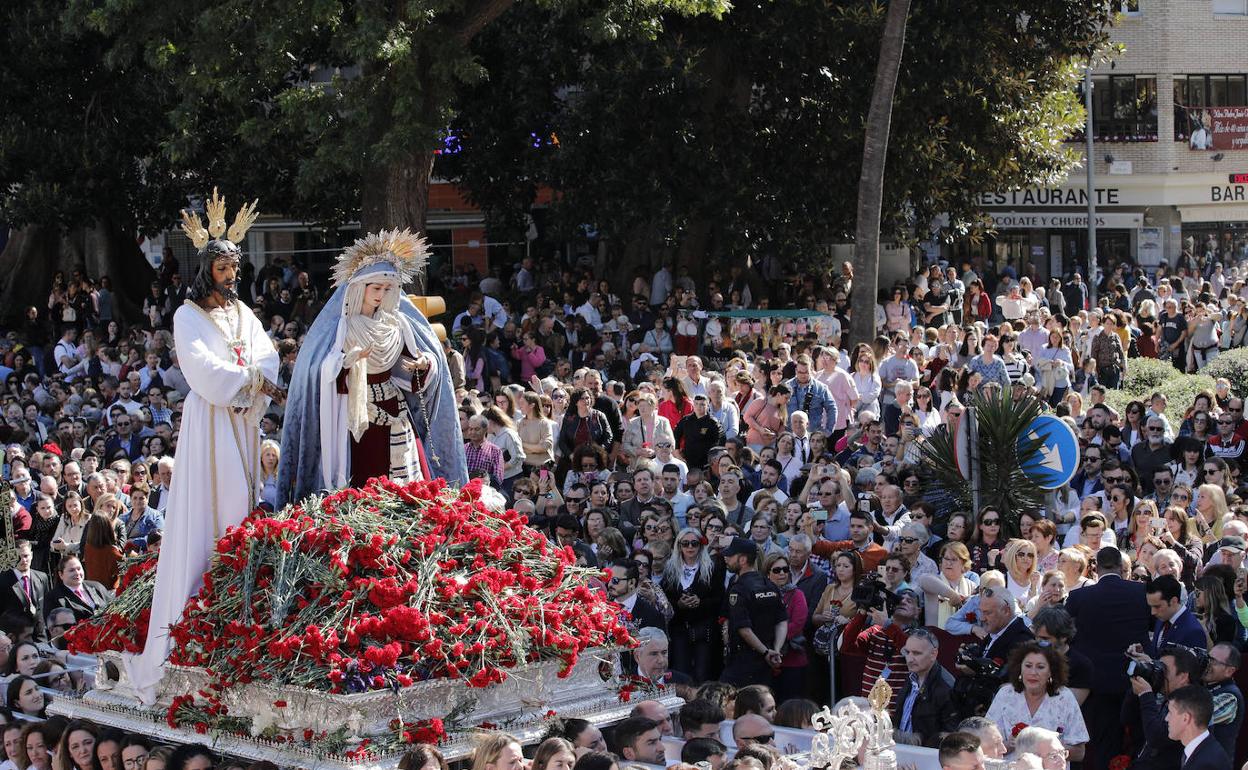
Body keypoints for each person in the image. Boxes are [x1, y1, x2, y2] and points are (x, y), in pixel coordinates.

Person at [124, 193, 281, 704]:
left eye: (234, 266)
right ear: (206, 269)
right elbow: (200, 368)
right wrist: (247, 380)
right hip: (211, 420)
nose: (230, 274)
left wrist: (256, 379)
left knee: (242, 503)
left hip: (243, 419)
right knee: (209, 506)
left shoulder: (244, 313)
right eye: (221, 265)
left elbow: (267, 354)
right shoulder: (188, 315)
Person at [279, 229, 466, 502]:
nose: (381, 294)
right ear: (359, 288)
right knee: (363, 483)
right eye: (376, 288)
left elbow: (408, 367)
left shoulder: (397, 323)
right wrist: (347, 361)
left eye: (387, 289)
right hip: (357, 416)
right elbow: (318, 371)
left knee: (407, 486)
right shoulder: (342, 328)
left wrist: (424, 364)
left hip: (395, 407)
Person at [1063, 546, 1150, 770]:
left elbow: (1065, 634)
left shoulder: (1079, 597)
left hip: (1097, 683)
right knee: (1139, 743)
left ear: (1095, 568)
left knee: (1104, 745)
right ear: (1122, 568)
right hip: (1135, 681)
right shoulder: (1141, 592)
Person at [985, 641, 1089, 760]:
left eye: (1040, 667)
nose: (1033, 672)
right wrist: (1010, 744)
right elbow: (985, 746)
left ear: (1051, 672)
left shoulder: (1064, 697)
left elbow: (1079, 753)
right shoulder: (1005, 694)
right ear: (1020, 669)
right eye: (1028, 666)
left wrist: (1047, 748)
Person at [721, 537, 788, 686]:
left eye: (731, 556)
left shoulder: (739, 589)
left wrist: (765, 652)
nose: (727, 559)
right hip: (767, 660)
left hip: (744, 660)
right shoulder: (770, 585)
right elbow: (782, 622)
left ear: (743, 560)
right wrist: (774, 650)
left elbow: (744, 629)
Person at [894, 628, 957, 748]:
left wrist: (916, 742)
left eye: (917, 653)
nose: (910, 659)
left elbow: (949, 736)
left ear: (933, 654)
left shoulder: (946, 687)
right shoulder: (912, 677)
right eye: (907, 652)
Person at [1167, 685, 1233, 770]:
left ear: (1185, 718)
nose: (1166, 718)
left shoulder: (1205, 764)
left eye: (1170, 712)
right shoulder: (1204, 749)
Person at [0, 540, 51, 641]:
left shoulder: (42, 577)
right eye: (19, 557)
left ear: (31, 555)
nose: (23, 560)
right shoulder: (3, 580)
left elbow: (46, 607)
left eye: (26, 556)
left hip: (40, 637)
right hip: (16, 638)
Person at [1202, 641, 1243, 760]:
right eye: (1207, 658)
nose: (1207, 664)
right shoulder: (1204, 685)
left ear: (1229, 671)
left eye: (1213, 661)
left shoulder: (1230, 696)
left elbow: (1195, 716)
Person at [1146, 574, 1206, 654]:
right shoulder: (1163, 617)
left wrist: (1151, 663)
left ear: (1173, 601)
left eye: (1157, 606)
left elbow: (1191, 666)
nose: (1153, 612)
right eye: (1151, 606)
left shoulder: (1193, 632)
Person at [43, 554, 112, 622]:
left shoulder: (97, 586)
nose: (77, 573)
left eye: (79, 569)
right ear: (61, 574)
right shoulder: (53, 598)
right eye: (71, 570)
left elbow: (113, 607)